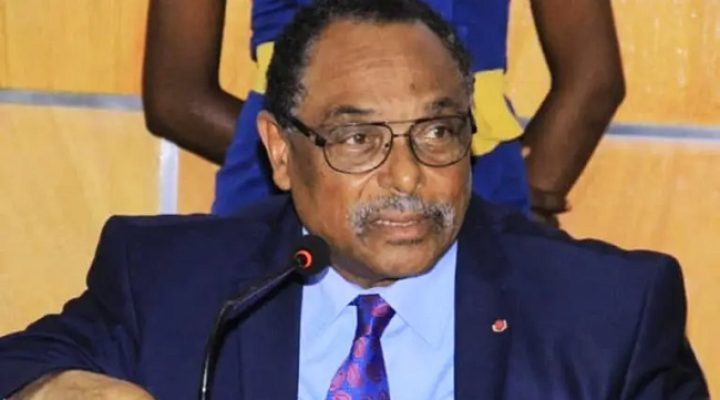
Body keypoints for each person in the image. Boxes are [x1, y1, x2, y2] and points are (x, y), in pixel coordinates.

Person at [2, 1, 705, 398]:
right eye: (358, 138)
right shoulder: (172, 285)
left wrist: (533, 201)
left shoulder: (610, 313)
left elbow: (594, 78)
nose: (406, 178)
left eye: (437, 132)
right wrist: (58, 388)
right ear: (281, 151)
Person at [142, 0, 625, 224]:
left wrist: (525, 194)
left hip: (468, 178)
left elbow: (593, 81)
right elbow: (176, 97)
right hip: (283, 188)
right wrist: (323, 156)